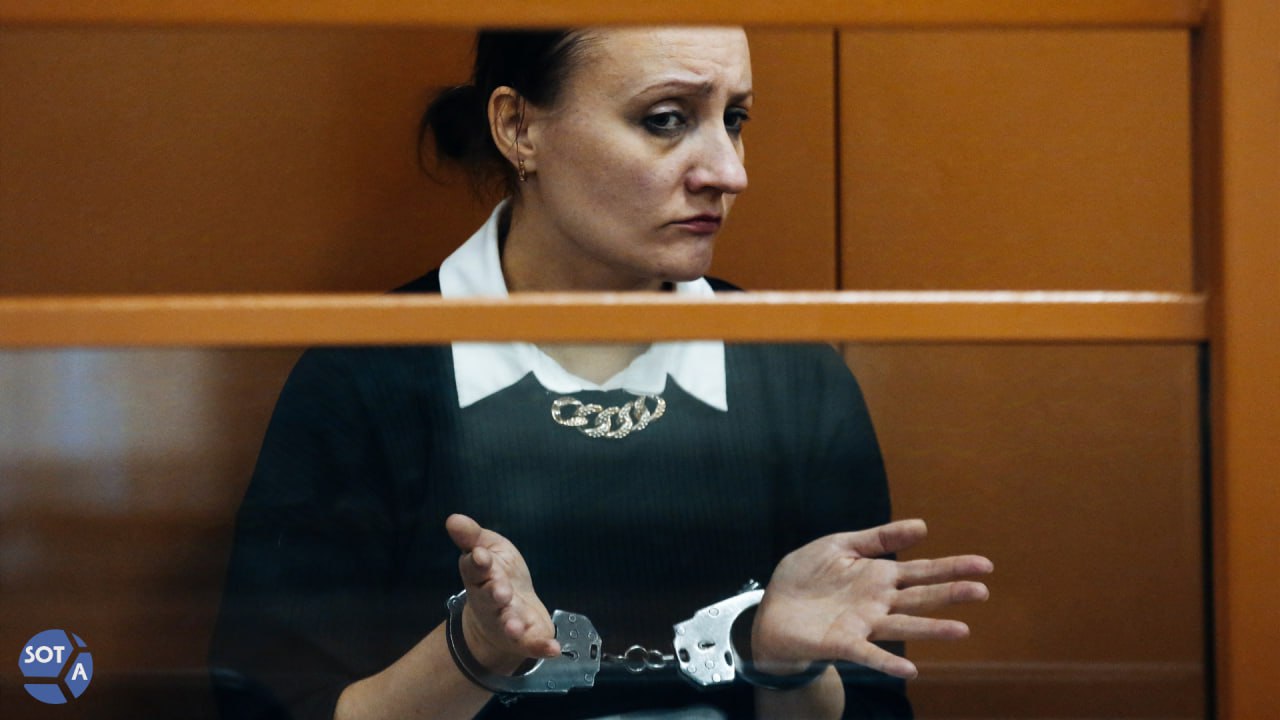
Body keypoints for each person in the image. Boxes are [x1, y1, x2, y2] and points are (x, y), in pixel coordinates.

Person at [209, 27, 993, 720]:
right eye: (666, 120)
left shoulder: (793, 377)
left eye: (735, 119)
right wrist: (472, 654)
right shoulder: (367, 378)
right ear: (519, 128)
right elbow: (272, 706)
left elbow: (873, 708)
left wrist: (785, 666)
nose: (728, 171)